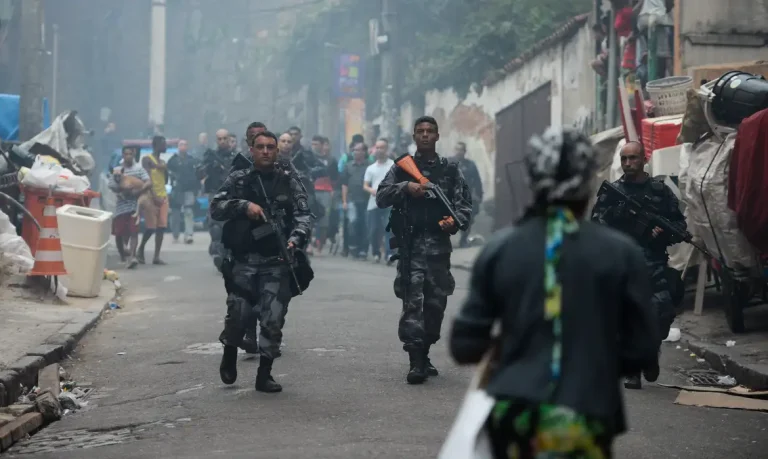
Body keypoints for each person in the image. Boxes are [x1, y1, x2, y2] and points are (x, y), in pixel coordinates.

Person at [448, 126, 659, 458]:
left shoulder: (499, 250)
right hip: (585, 417)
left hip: (514, 416)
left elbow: (464, 345)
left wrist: (515, 350)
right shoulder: (622, 254)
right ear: (588, 182)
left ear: (532, 180)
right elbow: (642, 350)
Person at [212, 131, 313, 393]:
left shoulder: (288, 180)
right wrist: (243, 206)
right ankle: (230, 349)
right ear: (252, 150)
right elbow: (216, 207)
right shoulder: (238, 178)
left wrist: (296, 239)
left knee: (273, 318)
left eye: (271, 147)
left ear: (277, 151)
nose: (266, 151)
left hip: (276, 259)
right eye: (261, 147)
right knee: (239, 313)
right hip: (243, 260)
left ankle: (264, 373)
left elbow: (304, 215)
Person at [376, 116, 472, 384]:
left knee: (435, 304)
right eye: (421, 131)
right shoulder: (401, 169)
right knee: (413, 303)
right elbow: (381, 196)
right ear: (414, 136)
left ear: (438, 136)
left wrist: (454, 221)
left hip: (439, 248)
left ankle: (425, 351)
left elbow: (464, 205)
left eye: (430, 131)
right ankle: (415, 359)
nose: (426, 135)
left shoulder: (450, 170)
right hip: (411, 246)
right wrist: (406, 187)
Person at [591, 140, 684, 390]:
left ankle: (651, 351)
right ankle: (633, 369)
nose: (628, 163)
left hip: (653, 261)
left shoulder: (660, 191)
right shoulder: (612, 192)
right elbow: (596, 225)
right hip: (621, 263)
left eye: (633, 158)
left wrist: (662, 232)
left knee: (662, 313)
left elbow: (679, 225)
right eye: (624, 158)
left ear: (644, 159)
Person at [198, 128, 236, 271]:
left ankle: (228, 255)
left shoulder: (236, 157)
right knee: (215, 227)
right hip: (215, 193)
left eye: (225, 138)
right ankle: (218, 254)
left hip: (232, 195)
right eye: (219, 139)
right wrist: (206, 167)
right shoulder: (210, 156)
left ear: (229, 139)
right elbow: (200, 173)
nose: (222, 141)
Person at [109, 146, 150, 268]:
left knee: (134, 232)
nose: (128, 156)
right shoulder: (117, 169)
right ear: (122, 155)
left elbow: (148, 182)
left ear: (134, 155)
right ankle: (123, 255)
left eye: (130, 154)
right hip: (121, 206)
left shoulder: (139, 169)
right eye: (126, 154)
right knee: (119, 233)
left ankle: (132, 257)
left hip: (134, 205)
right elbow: (111, 185)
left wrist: (138, 191)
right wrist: (122, 189)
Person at [139, 135, 170, 265]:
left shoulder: (162, 162)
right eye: (163, 144)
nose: (165, 146)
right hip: (151, 196)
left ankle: (156, 256)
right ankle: (140, 249)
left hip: (163, 196)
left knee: (161, 227)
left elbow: (166, 180)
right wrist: (153, 195)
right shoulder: (147, 159)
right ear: (156, 145)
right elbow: (146, 179)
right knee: (151, 227)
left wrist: (164, 168)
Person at [363, 138, 395, 263]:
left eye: (382, 147)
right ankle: (376, 252)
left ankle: (389, 253)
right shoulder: (371, 168)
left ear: (387, 149)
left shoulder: (393, 165)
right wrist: (372, 190)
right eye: (377, 147)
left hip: (389, 202)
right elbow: (365, 185)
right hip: (374, 202)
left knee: (389, 228)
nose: (379, 150)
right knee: (373, 230)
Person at [341, 142, 372, 259]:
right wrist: (344, 201)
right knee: (352, 223)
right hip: (351, 199)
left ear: (364, 152)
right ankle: (352, 245)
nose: (356, 152)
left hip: (366, 200)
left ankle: (363, 249)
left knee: (365, 225)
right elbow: (344, 185)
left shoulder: (370, 166)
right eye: (354, 150)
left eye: (358, 150)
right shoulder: (348, 166)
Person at [451, 141, 484, 248]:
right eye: (457, 149)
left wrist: (479, 195)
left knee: (468, 218)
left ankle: (463, 240)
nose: (459, 152)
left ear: (465, 151)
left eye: (461, 150)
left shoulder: (470, 165)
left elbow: (477, 181)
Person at [167, 139, 199, 244]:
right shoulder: (173, 160)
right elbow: (168, 174)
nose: (183, 146)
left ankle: (189, 234)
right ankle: (175, 234)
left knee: (188, 211)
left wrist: (196, 189)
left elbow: (196, 175)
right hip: (176, 190)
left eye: (185, 144)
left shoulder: (192, 160)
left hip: (189, 189)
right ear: (178, 146)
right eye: (181, 144)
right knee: (175, 213)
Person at [313, 135, 339, 253]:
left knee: (324, 218)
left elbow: (335, 177)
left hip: (326, 191)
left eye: (317, 144)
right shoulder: (310, 158)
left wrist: (333, 190)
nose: (314, 146)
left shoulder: (332, 160)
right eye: (313, 144)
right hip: (312, 190)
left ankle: (320, 244)